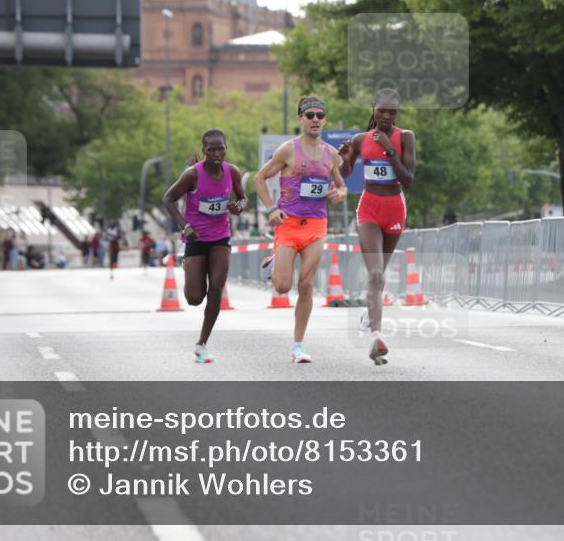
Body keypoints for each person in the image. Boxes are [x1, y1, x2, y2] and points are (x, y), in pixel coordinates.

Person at [254, 96, 348, 363]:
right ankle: (274, 264)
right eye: (310, 115)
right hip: (288, 225)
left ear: (325, 120)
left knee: (306, 285)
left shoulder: (332, 155)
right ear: (300, 119)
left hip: (316, 226)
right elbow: (259, 178)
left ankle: (298, 345)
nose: (316, 119)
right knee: (283, 287)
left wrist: (340, 193)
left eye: (320, 115)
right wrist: (271, 208)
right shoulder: (287, 150)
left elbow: (340, 184)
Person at [338, 89, 417, 366]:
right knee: (374, 273)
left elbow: (408, 179)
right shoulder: (361, 140)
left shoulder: (405, 137)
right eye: (381, 110)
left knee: (379, 275)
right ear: (373, 109)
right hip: (369, 207)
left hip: (394, 206)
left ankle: (368, 313)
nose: (386, 116)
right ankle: (377, 336)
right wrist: (346, 158)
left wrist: (390, 149)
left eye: (392, 112)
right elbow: (346, 175)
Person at [164, 128, 248, 364]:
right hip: (196, 238)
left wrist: (239, 206)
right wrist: (184, 226)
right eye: (211, 149)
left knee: (216, 289)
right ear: (204, 150)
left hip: (221, 237)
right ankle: (189, 267)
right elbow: (168, 199)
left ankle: (202, 343)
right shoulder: (192, 175)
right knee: (194, 298)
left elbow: (243, 197)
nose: (216, 153)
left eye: (220, 148)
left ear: (226, 148)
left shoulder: (232, 172)